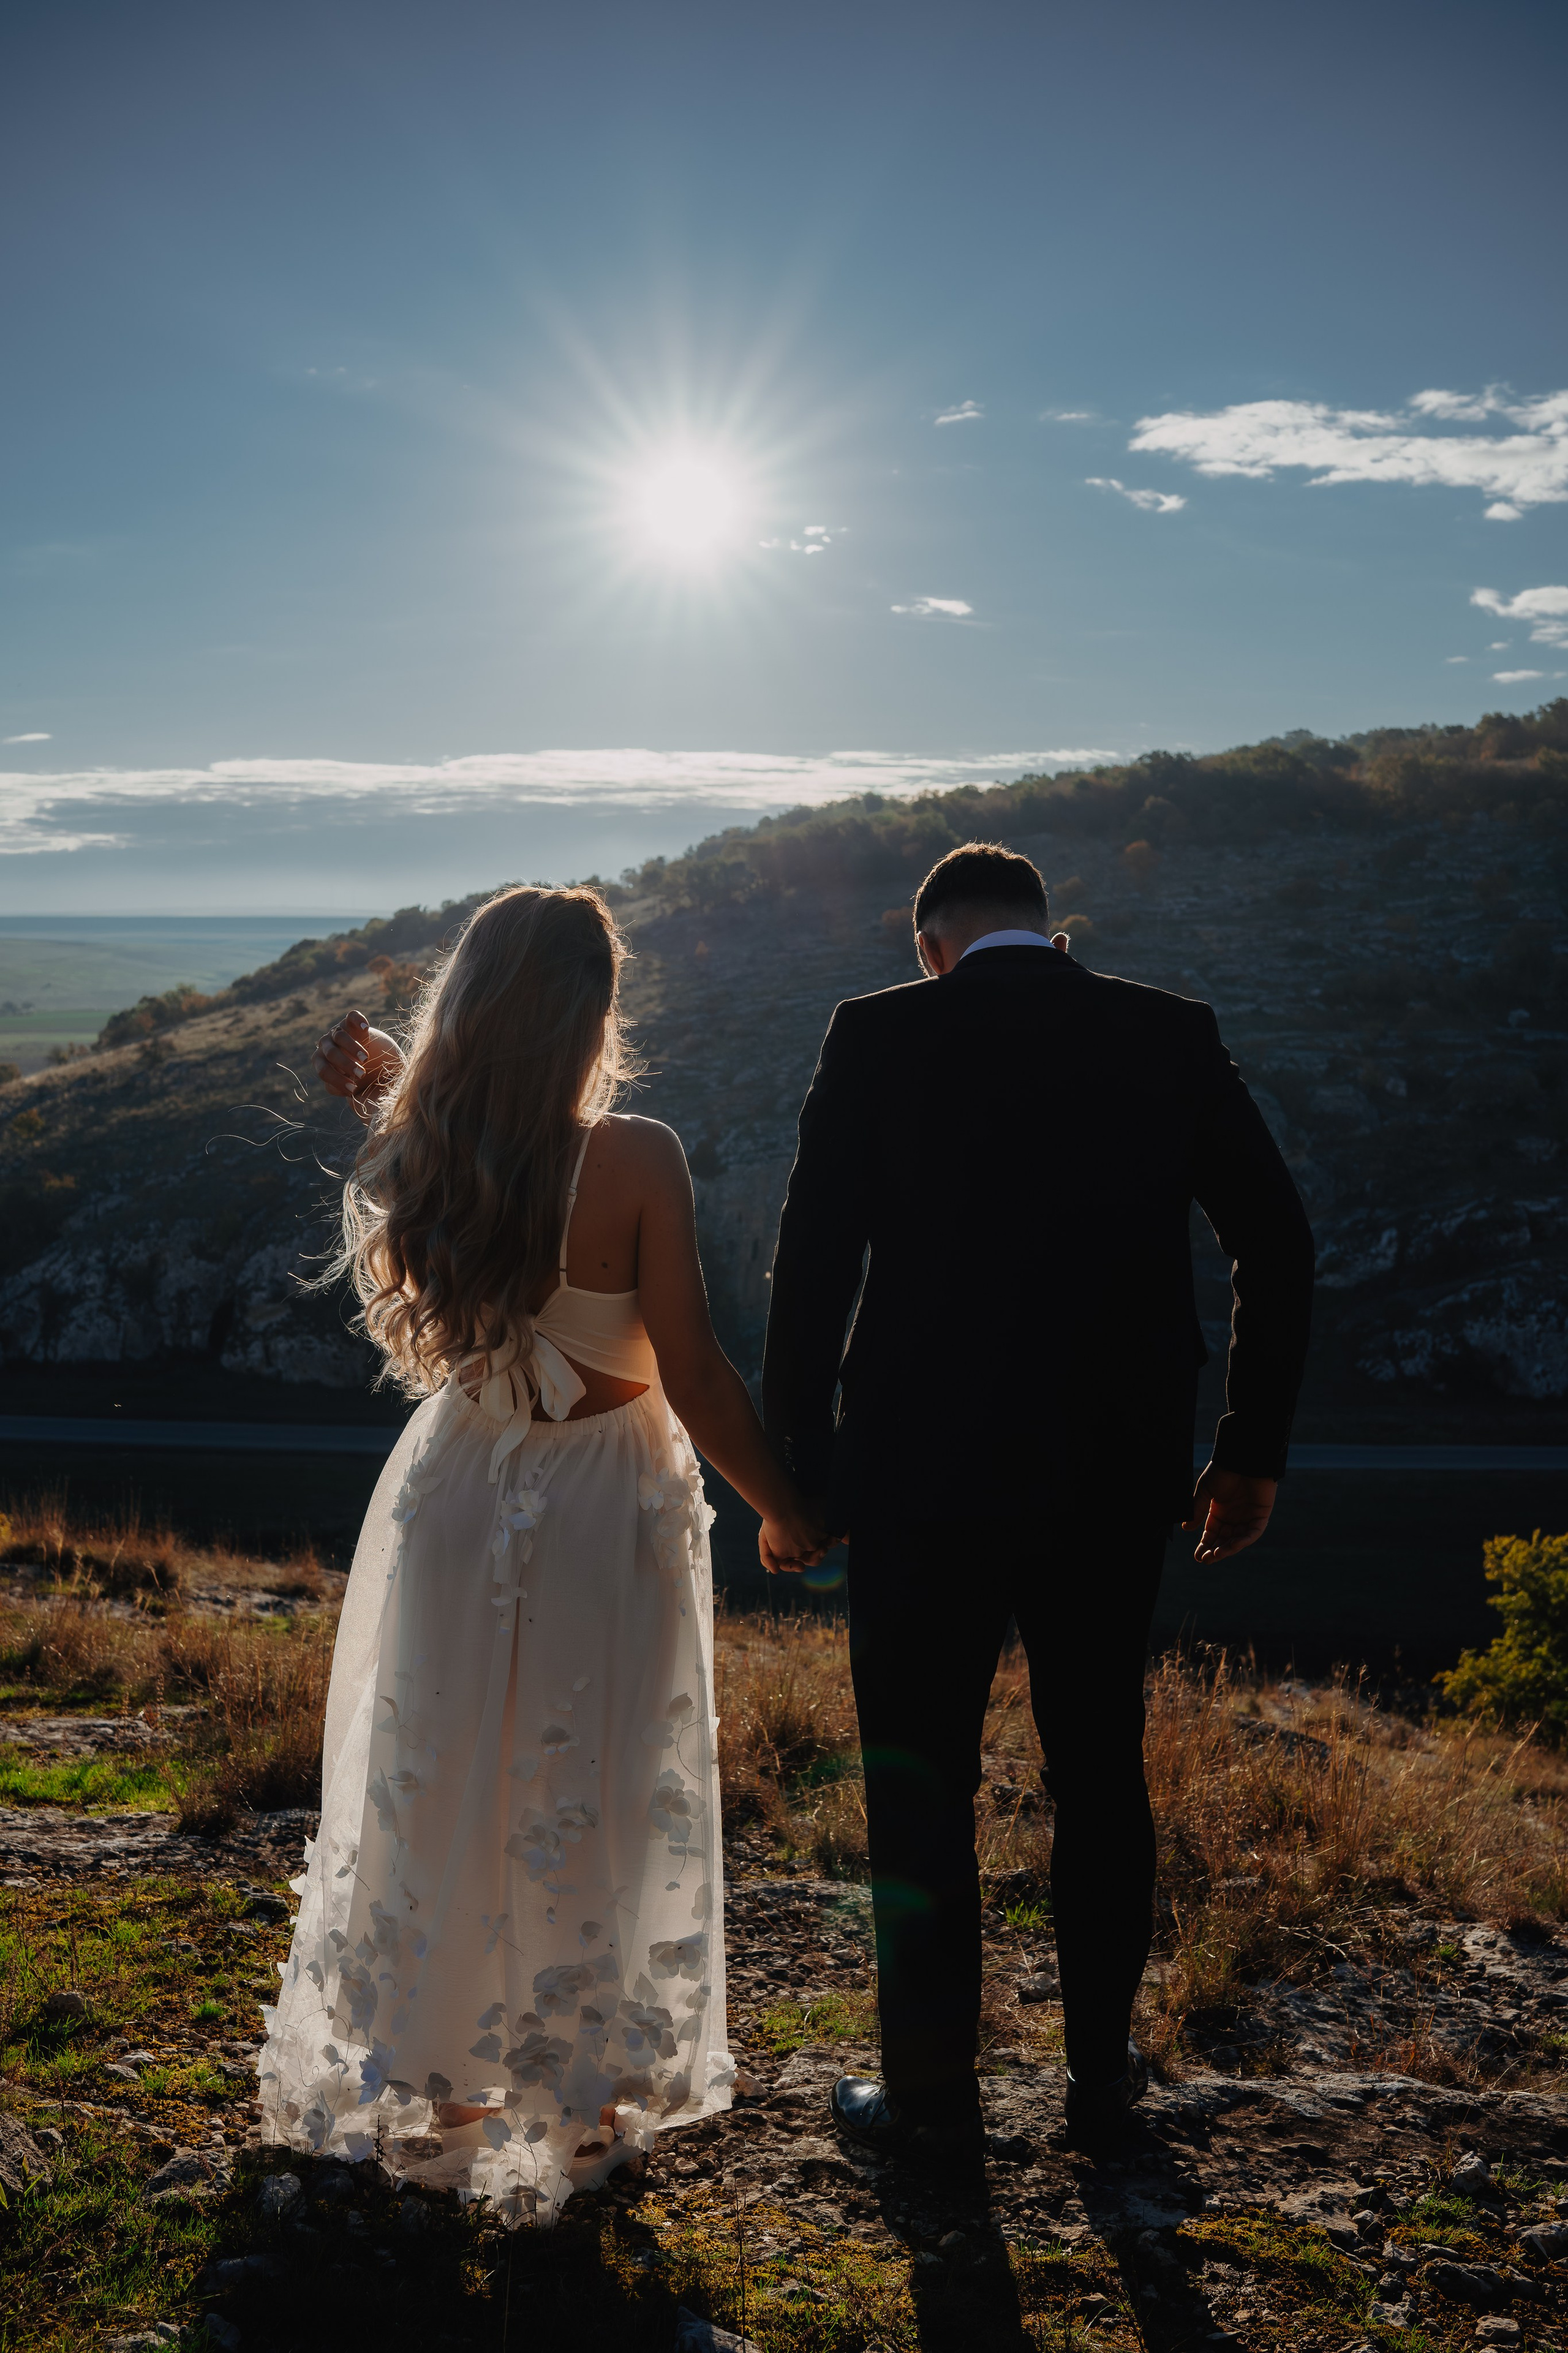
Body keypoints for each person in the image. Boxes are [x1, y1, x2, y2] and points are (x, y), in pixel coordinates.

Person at [258, 885, 822, 2223]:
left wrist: (388, 1086)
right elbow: (693, 1371)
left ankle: (443, 2089)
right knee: (594, 1776)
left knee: (443, 1765)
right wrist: (781, 1504)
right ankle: (576, 2100)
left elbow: (467, 1141)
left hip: (460, 1482)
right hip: (597, 1503)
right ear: (594, 1012)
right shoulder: (638, 1157)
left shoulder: (432, 1143)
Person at [762, 840, 1314, 2162]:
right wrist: (1247, 1451)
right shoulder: (1168, 1032)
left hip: (918, 1475)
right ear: (1051, 936)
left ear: (929, 949)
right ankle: (1099, 2085)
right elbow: (1277, 1242)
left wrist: (803, 1478)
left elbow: (811, 1267)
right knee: (1099, 1772)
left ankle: (929, 2101)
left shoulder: (876, 1034)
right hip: (1109, 1474)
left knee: (919, 1781)